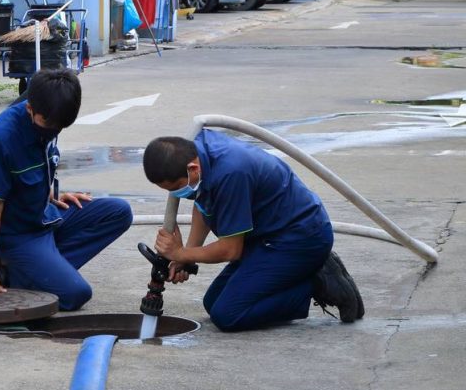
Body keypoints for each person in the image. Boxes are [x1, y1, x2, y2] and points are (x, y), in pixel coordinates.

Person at [142, 130, 365, 332]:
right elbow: (203, 204)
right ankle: (300, 271)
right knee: (213, 302)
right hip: (267, 237)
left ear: (192, 169)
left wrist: (180, 254)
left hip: (300, 239)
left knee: (227, 315)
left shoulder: (231, 174)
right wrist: (188, 254)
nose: (177, 194)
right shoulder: (200, 154)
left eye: (176, 188)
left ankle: (316, 282)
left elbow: (231, 250)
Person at [0, 69, 133, 310]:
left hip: (45, 216)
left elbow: (40, 164)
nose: (53, 130)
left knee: (118, 211)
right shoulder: (2, 136)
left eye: (60, 126)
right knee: (76, 294)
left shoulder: (51, 111)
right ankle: (14, 272)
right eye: (48, 124)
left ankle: (38, 268)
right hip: (18, 235)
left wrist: (50, 194)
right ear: (29, 108)